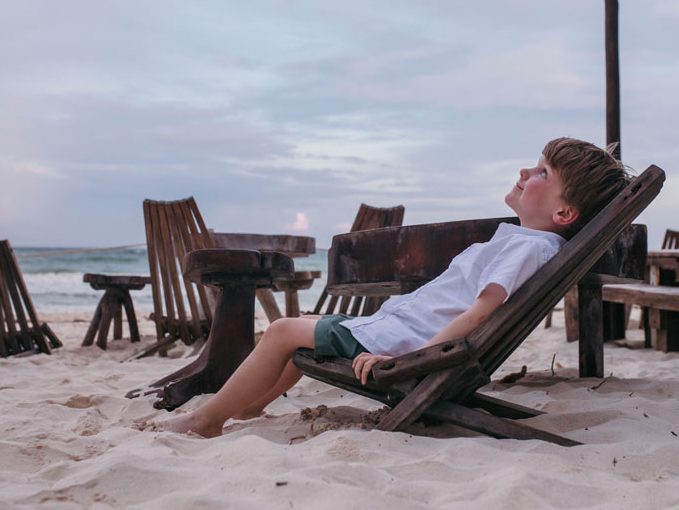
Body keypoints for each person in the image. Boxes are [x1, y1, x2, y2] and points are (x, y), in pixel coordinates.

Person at [164, 137, 631, 437]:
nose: (527, 173)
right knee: (304, 333)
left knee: (283, 332)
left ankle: (208, 420)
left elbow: (480, 313)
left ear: (564, 213)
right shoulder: (523, 241)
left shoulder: (527, 248)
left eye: (542, 173)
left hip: (401, 344)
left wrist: (411, 362)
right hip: (394, 330)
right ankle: (251, 407)